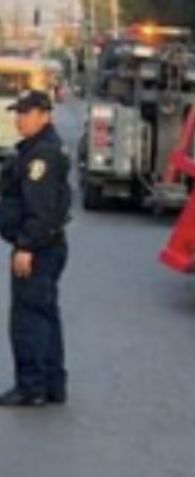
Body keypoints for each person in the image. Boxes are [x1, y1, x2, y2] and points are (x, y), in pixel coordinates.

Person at [0, 90, 71, 407]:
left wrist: (25, 247)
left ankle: (31, 387)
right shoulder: (36, 150)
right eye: (18, 112)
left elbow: (40, 209)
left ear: (45, 115)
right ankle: (52, 384)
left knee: (28, 318)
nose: (19, 119)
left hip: (37, 248)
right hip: (49, 245)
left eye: (26, 113)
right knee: (45, 316)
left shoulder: (42, 155)